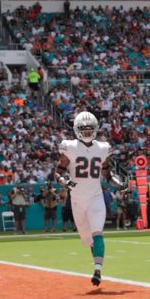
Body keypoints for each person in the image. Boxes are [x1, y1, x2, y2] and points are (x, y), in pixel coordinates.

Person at [54, 111, 126, 286]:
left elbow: (107, 174)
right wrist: (64, 181)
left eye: (89, 129)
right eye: (83, 129)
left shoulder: (103, 148)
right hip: (77, 200)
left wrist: (119, 184)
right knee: (87, 240)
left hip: (95, 197)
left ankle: (98, 270)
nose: (86, 132)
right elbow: (58, 172)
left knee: (97, 233)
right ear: (76, 130)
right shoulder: (69, 147)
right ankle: (97, 263)